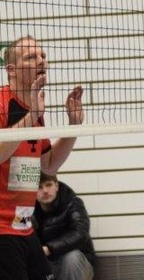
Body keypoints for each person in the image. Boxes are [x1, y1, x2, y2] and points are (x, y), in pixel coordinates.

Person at [1, 36, 84, 280]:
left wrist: (73, 127)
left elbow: (49, 165)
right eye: (31, 57)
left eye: (43, 56)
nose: (41, 61)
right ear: (11, 70)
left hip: (24, 227)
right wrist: (31, 116)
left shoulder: (35, 108)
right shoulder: (3, 104)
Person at [34, 172, 96, 280]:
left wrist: (49, 248)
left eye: (48, 185)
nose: (45, 191)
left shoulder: (73, 203)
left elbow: (80, 233)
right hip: (47, 265)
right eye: (39, 187)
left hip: (78, 263)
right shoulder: (28, 210)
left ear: (56, 186)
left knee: (71, 257)